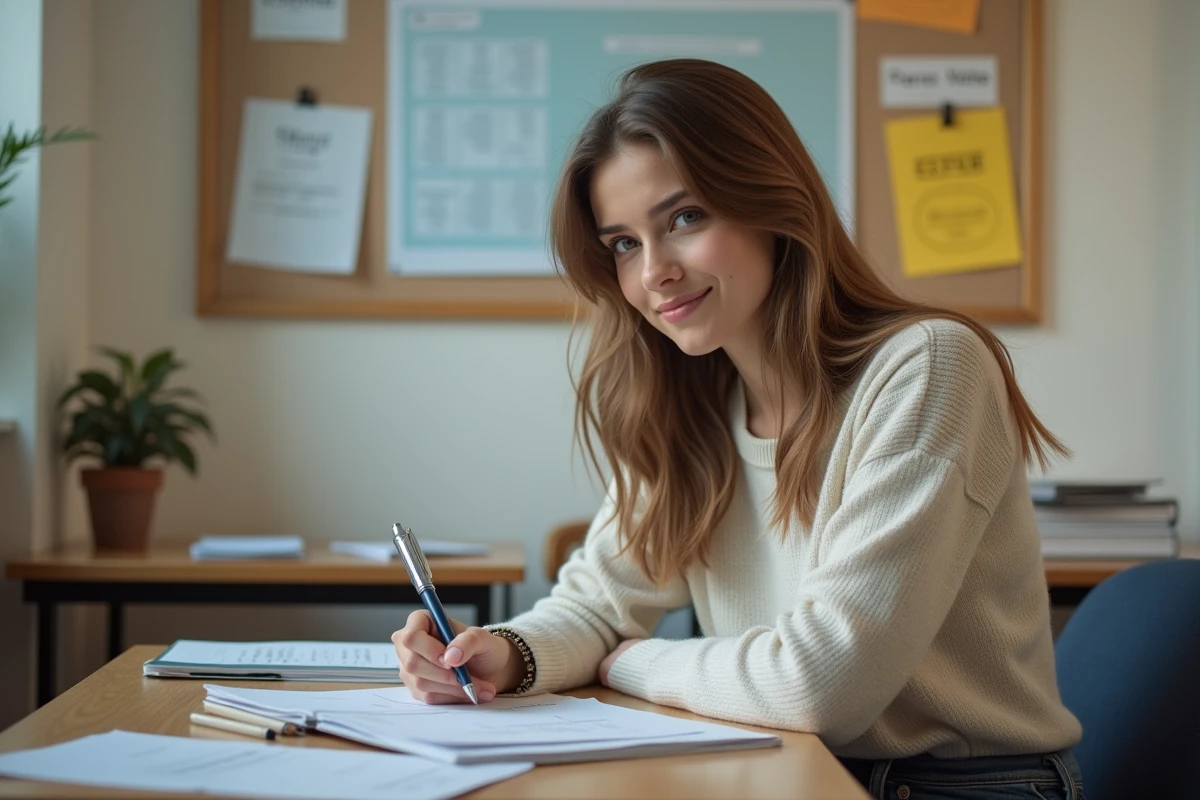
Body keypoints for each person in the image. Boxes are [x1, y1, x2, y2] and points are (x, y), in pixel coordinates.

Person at [391, 59, 1084, 799]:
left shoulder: (928, 370)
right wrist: (503, 653)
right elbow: (598, 605)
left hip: (956, 787)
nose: (653, 271)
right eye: (624, 243)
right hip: (780, 765)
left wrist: (630, 661)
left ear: (773, 205)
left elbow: (821, 685)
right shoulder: (691, 403)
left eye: (685, 219)